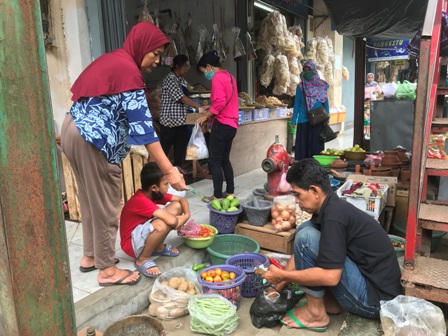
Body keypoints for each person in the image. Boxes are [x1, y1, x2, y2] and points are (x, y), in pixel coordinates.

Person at [61, 22, 187, 287]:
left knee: (89, 199)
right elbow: (144, 128)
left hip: (73, 129)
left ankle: (90, 256)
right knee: (106, 205)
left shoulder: (112, 60)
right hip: (93, 139)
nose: (156, 61)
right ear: (141, 46)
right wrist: (170, 170)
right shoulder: (129, 71)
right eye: (154, 54)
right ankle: (106, 271)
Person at [261, 158, 402, 331]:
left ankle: (315, 314)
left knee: (306, 238)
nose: (296, 201)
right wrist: (277, 287)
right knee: (306, 229)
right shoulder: (331, 206)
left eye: (298, 194)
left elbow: (331, 277)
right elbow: (305, 253)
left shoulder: (334, 217)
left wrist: (284, 276)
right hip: (372, 285)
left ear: (314, 191)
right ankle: (329, 302)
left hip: (376, 301)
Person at [120, 163, 190, 277]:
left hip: (141, 233)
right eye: (166, 184)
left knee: (176, 206)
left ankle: (158, 247)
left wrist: (186, 216)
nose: (168, 187)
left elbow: (182, 200)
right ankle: (143, 258)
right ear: (154, 188)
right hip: (131, 244)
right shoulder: (141, 200)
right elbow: (172, 221)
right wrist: (178, 221)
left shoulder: (153, 194)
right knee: (161, 224)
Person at [196, 51, 239, 202]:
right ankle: (230, 192)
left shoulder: (217, 78)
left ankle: (217, 195)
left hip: (222, 124)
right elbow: (226, 100)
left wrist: (206, 115)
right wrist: (211, 109)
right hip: (232, 124)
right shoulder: (230, 77)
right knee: (225, 159)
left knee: (214, 161)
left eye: (204, 71)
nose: (205, 75)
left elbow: (220, 102)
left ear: (208, 66)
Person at [160, 54, 207, 169]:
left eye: (188, 66)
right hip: (169, 122)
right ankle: (161, 172)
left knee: (179, 149)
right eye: (185, 66)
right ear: (177, 66)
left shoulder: (182, 81)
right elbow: (181, 97)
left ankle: (177, 170)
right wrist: (197, 107)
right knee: (164, 149)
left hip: (181, 121)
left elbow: (186, 98)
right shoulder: (170, 79)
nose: (188, 69)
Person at [292, 61, 330, 161]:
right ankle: (302, 167)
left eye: (309, 70)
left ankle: (315, 166)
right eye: (305, 70)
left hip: (318, 119)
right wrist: (294, 120)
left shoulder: (322, 85)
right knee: (302, 145)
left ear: (314, 70)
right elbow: (296, 103)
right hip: (303, 120)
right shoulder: (300, 86)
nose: (307, 72)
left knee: (316, 145)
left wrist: (327, 119)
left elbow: (325, 102)